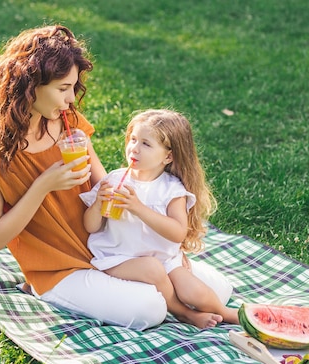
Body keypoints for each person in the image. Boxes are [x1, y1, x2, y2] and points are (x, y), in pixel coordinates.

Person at [0, 25, 173, 330]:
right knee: (151, 308)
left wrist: (122, 193)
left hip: (101, 247)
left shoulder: (67, 121)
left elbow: (102, 181)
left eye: (73, 87)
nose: (69, 99)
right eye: (62, 89)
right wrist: (43, 186)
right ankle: (40, 289)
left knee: (208, 287)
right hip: (57, 269)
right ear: (30, 85)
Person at [80, 109, 239, 328]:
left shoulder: (172, 190)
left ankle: (226, 313)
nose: (134, 148)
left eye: (146, 144)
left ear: (168, 156)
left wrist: (138, 208)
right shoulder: (115, 180)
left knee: (192, 289)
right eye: (133, 139)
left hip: (164, 258)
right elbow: (91, 227)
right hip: (117, 257)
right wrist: (98, 203)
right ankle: (184, 314)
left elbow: (177, 232)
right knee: (153, 269)